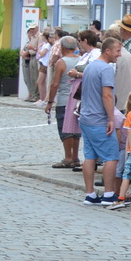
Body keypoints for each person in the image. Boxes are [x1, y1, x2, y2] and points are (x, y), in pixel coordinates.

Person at [77, 36, 122, 204]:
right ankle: (109, 194)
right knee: (111, 156)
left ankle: (90, 194)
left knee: (89, 156)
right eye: (117, 51)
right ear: (108, 50)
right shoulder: (106, 69)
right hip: (99, 118)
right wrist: (111, 118)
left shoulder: (90, 66)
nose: (119, 54)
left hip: (86, 117)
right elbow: (107, 94)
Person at [45, 35, 83, 169]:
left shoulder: (61, 62)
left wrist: (50, 101)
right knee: (76, 129)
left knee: (65, 128)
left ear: (63, 47)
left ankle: (68, 157)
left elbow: (55, 84)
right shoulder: (81, 60)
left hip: (64, 99)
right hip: (78, 99)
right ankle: (75, 157)